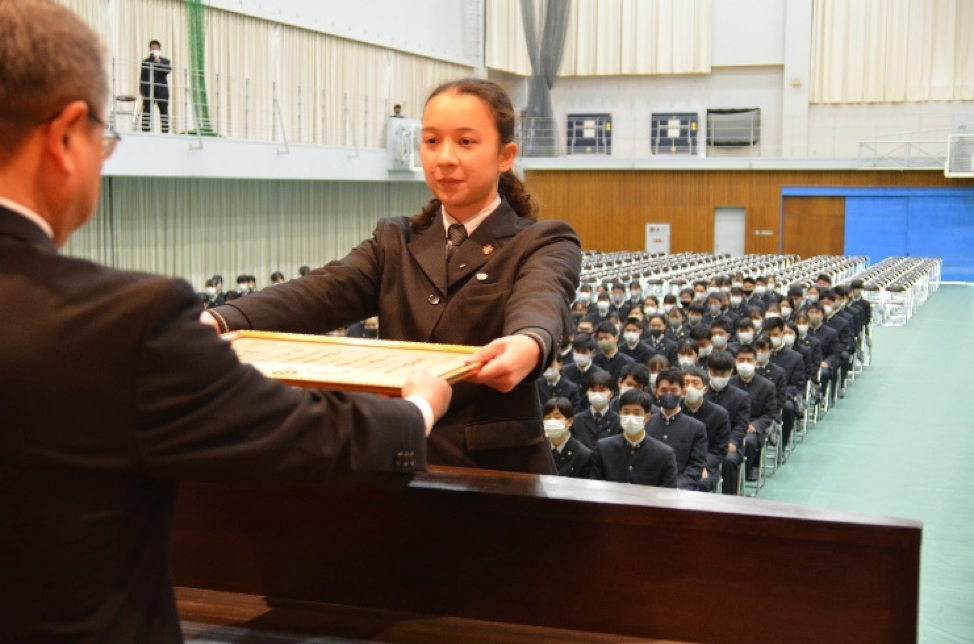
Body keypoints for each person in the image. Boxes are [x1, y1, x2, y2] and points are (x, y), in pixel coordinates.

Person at [0, 3, 452, 641]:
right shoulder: (126, 326)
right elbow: (305, 440)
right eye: (105, 142)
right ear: (66, 135)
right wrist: (417, 410)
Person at [204, 77, 582, 474]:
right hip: (401, 462)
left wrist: (530, 343)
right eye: (432, 141)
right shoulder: (395, 239)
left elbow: (542, 300)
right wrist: (219, 319)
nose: (445, 157)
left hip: (497, 475)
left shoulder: (542, 240)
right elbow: (320, 292)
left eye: (466, 142)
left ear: (505, 156)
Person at [589, 390, 678, 488]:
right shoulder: (603, 448)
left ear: (647, 417)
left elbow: (667, 493)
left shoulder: (664, 454)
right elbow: (596, 488)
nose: (631, 417)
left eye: (637, 413)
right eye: (626, 412)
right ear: (620, 414)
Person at [646, 368, 708, 491]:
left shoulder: (697, 428)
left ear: (683, 393)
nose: (669, 394)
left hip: (681, 490)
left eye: (674, 390)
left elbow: (696, 467)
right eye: (664, 390)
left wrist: (677, 487)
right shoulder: (646, 423)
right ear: (656, 393)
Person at [729, 345, 777, 482]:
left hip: (752, 428)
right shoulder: (729, 383)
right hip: (732, 426)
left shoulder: (767, 386)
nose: (745, 363)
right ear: (736, 362)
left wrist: (754, 426)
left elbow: (769, 414)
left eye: (749, 360)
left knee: (749, 442)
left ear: (756, 362)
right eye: (741, 360)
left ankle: (746, 471)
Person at [705, 350, 751, 494]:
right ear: (708, 370)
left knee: (729, 461)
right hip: (701, 443)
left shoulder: (741, 397)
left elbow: (741, 424)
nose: (718, 377)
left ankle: (729, 498)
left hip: (726, 445)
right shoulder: (701, 393)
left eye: (722, 373)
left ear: (731, 372)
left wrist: (733, 442)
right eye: (714, 372)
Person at [682, 367, 730, 492]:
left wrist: (701, 465)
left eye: (695, 383)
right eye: (686, 383)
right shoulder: (675, 410)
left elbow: (719, 450)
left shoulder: (719, 414)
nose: (690, 387)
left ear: (705, 389)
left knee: (700, 483)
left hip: (706, 464)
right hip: (678, 463)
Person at [543, 397, 591, 478]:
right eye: (547, 418)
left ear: (570, 421)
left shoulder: (583, 454)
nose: (551, 421)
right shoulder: (539, 451)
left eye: (557, 417)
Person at [572, 370, 620, 450]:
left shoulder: (618, 422)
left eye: (602, 390)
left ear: (611, 393)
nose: (597, 394)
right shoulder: (576, 420)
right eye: (593, 390)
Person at [139, 39, 171, 133]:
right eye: (152, 48)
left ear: (159, 49)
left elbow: (167, 70)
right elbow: (143, 76)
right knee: (147, 109)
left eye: (156, 48)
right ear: (150, 49)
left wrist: (158, 63)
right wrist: (142, 89)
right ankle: (145, 129)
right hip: (149, 89)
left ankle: (165, 130)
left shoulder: (165, 61)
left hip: (161, 89)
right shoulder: (145, 61)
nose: (154, 50)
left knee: (163, 109)